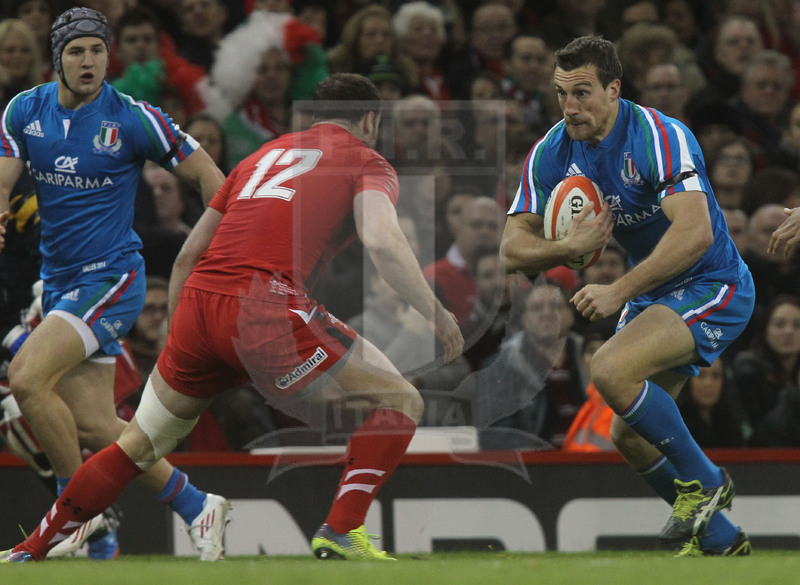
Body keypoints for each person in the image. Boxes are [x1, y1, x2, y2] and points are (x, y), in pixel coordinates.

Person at [0, 73, 464, 563]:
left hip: (200, 306)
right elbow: (383, 240)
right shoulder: (366, 160)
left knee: (134, 447)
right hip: (266, 307)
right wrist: (436, 312)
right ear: (370, 121)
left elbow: (188, 254)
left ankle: (31, 550)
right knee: (400, 400)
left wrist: (177, 337)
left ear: (314, 117)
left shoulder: (259, 157)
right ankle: (342, 529)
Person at [501, 35, 754, 556]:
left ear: (614, 89)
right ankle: (722, 543)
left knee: (610, 369)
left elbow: (696, 233)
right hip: (656, 294)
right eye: (561, 93)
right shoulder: (552, 151)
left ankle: (708, 482)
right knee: (627, 435)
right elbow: (511, 250)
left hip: (713, 284)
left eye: (582, 93)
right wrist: (565, 248)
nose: (570, 107)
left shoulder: (659, 136)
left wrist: (619, 289)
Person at [0, 8, 229, 561]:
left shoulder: (132, 118)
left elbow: (210, 178)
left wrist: (223, 251)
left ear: (109, 56)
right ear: (57, 58)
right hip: (60, 282)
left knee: (26, 379)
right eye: (76, 51)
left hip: (113, 278)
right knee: (97, 427)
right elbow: (3, 179)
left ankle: (72, 515)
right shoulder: (24, 110)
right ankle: (197, 505)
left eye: (97, 50)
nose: (89, 61)